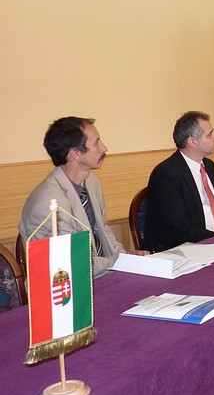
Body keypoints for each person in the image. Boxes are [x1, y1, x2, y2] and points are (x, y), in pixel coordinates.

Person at [19, 117, 144, 277]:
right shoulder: (48, 204)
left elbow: (103, 230)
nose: (104, 148)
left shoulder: (91, 182)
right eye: (96, 143)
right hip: (69, 285)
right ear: (75, 153)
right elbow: (73, 263)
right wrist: (119, 261)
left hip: (102, 273)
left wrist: (125, 257)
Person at [144, 111, 214, 252]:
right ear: (193, 141)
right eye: (210, 134)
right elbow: (179, 228)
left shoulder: (209, 165)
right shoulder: (166, 174)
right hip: (185, 247)